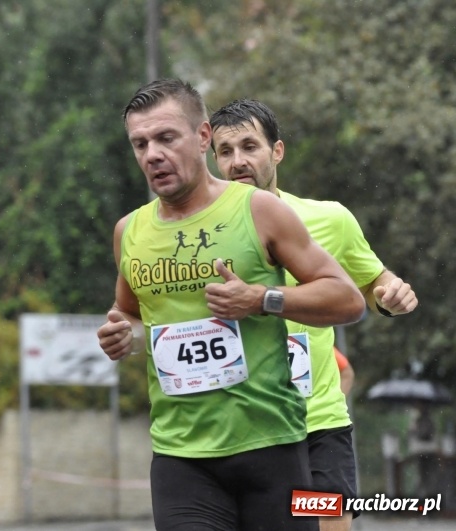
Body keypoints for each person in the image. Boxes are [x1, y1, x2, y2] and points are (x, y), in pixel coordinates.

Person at [97, 78, 365, 530]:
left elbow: (347, 299)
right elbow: (128, 313)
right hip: (180, 456)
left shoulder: (259, 209)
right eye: (139, 144)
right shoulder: (130, 232)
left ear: (202, 137)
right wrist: (121, 333)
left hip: (271, 448)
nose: (152, 155)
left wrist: (262, 298)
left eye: (166, 138)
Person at [209, 98, 418, 531]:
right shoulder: (200, 234)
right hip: (243, 429)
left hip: (318, 425)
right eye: (225, 152)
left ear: (277, 151)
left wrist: (390, 295)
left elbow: (373, 283)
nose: (238, 161)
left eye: (250, 147)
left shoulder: (329, 219)